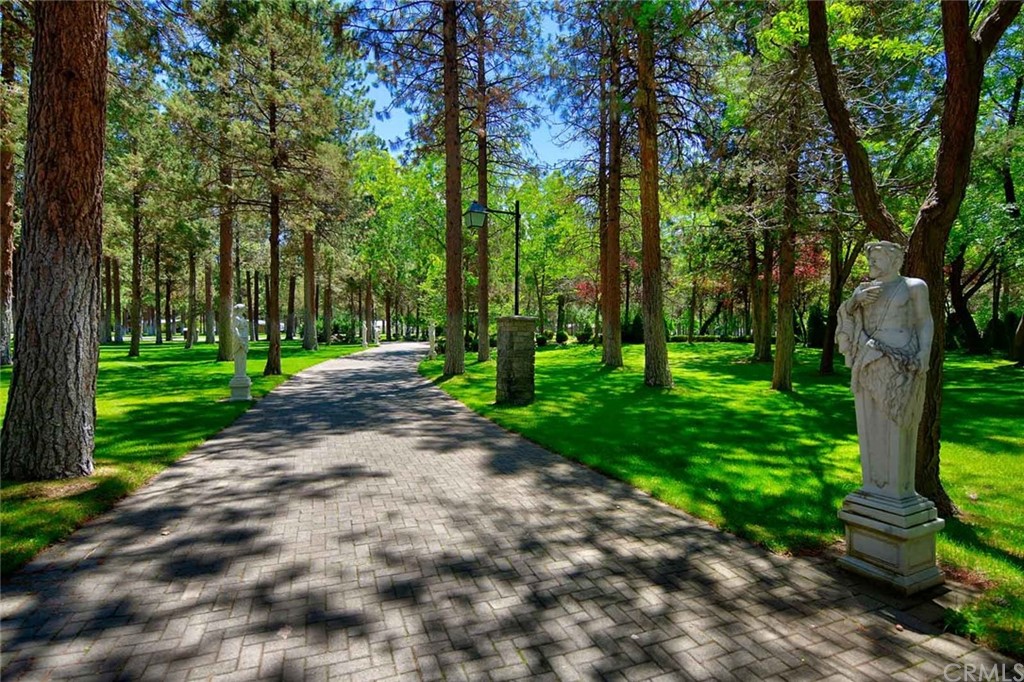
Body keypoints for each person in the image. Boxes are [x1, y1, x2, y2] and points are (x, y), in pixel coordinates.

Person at [836, 241, 933, 498]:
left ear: (894, 261)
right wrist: (854, 301)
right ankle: (875, 487)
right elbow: (846, 316)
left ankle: (895, 491)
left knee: (897, 422)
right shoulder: (864, 290)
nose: (871, 265)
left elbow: (924, 321)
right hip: (868, 361)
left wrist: (925, 351)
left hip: (901, 365)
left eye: (876, 260)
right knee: (870, 421)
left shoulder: (913, 286)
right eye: (870, 261)